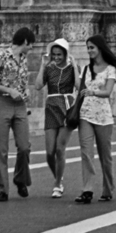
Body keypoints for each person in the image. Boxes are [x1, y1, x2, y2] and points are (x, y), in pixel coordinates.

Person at [0, 26, 37, 200]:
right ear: (24, 42)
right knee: (2, 148)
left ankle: (20, 178)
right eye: (31, 44)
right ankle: (3, 189)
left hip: (20, 104)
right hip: (4, 102)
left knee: (24, 147)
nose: (32, 48)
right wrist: (7, 89)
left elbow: (22, 80)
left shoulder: (23, 58)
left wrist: (25, 92)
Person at [74, 35, 116, 205]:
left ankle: (108, 188)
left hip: (103, 116)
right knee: (86, 153)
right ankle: (87, 189)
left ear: (100, 48)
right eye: (87, 48)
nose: (89, 51)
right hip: (85, 114)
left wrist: (92, 92)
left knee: (105, 155)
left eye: (92, 47)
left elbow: (108, 91)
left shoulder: (111, 69)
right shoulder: (86, 69)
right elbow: (80, 88)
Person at [39, 39, 78, 198]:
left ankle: (57, 185)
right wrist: (42, 65)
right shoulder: (49, 68)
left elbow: (78, 85)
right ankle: (58, 176)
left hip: (67, 106)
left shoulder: (72, 67)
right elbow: (37, 85)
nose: (56, 57)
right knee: (49, 152)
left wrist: (75, 66)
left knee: (60, 148)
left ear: (66, 54)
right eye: (54, 54)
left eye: (59, 54)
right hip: (51, 107)